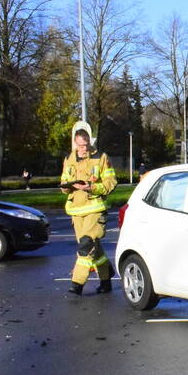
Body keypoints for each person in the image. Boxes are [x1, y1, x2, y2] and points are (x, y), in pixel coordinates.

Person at [60, 126, 117, 295]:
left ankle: (77, 283)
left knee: (86, 246)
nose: (83, 149)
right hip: (76, 211)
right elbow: (63, 179)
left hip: (95, 208)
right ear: (75, 143)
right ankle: (106, 278)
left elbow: (111, 183)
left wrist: (91, 187)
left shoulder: (101, 157)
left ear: (89, 142)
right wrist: (66, 187)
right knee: (94, 249)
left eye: (85, 145)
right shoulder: (69, 158)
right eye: (80, 146)